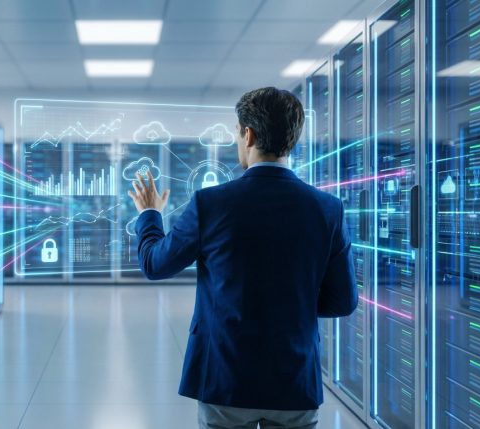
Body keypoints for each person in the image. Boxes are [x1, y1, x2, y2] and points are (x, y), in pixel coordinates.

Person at [127, 87, 358, 429]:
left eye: (237, 132)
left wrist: (150, 215)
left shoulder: (211, 204)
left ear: (247, 134)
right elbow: (343, 301)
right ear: (292, 138)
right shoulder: (328, 209)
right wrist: (293, 300)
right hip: (294, 381)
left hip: (225, 379)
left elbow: (155, 264)